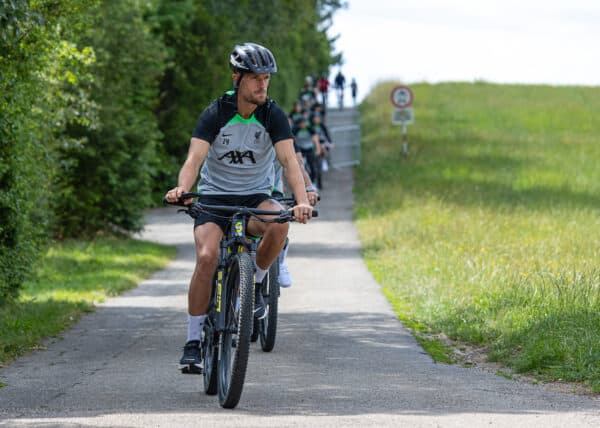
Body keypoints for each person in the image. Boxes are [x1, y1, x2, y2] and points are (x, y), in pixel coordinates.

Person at [164, 42, 314, 367]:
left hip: (254, 197)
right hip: (215, 199)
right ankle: (192, 341)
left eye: (267, 78)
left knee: (280, 223)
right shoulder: (216, 113)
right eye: (256, 78)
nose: (263, 84)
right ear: (238, 78)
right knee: (206, 257)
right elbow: (194, 159)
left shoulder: (272, 115)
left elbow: (289, 162)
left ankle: (255, 287)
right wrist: (182, 188)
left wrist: (301, 201)